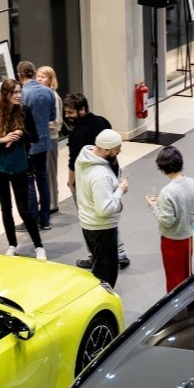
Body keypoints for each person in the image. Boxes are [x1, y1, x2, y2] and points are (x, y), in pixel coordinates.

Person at [0, 79, 47, 260]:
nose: (18, 95)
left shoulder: (24, 111)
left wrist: (21, 134)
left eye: (19, 92)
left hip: (20, 166)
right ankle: (12, 245)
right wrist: (2, 139)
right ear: (5, 94)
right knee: (6, 208)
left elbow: (34, 137)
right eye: (14, 92)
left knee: (24, 209)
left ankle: (39, 246)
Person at [63, 92, 130, 270]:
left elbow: (73, 161)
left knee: (88, 218)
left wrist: (72, 183)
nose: (67, 116)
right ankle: (120, 253)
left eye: (70, 112)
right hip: (112, 175)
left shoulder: (76, 134)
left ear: (82, 110)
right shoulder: (102, 122)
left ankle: (94, 255)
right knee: (111, 215)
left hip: (89, 181)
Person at [75, 129, 128, 289]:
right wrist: (120, 190)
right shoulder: (100, 175)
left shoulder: (83, 158)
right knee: (106, 275)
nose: (119, 151)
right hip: (102, 228)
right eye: (117, 148)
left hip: (88, 223)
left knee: (99, 267)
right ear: (106, 150)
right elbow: (105, 209)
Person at [146, 146, 194, 293]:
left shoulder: (167, 192)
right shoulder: (192, 183)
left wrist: (154, 206)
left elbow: (167, 221)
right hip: (189, 236)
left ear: (162, 167)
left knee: (174, 280)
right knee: (187, 275)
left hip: (172, 242)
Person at [16, 60, 56, 231]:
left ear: (20, 75)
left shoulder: (22, 94)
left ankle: (31, 219)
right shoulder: (48, 92)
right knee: (43, 179)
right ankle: (45, 219)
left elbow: (18, 120)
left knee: (28, 180)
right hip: (44, 141)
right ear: (33, 72)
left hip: (28, 143)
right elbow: (52, 116)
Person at [36, 66, 62, 214]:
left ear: (51, 80)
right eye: (38, 76)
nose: (39, 79)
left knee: (50, 171)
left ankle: (53, 203)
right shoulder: (40, 95)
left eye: (43, 77)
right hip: (41, 138)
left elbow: (56, 123)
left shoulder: (54, 97)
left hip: (50, 139)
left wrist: (39, 125)